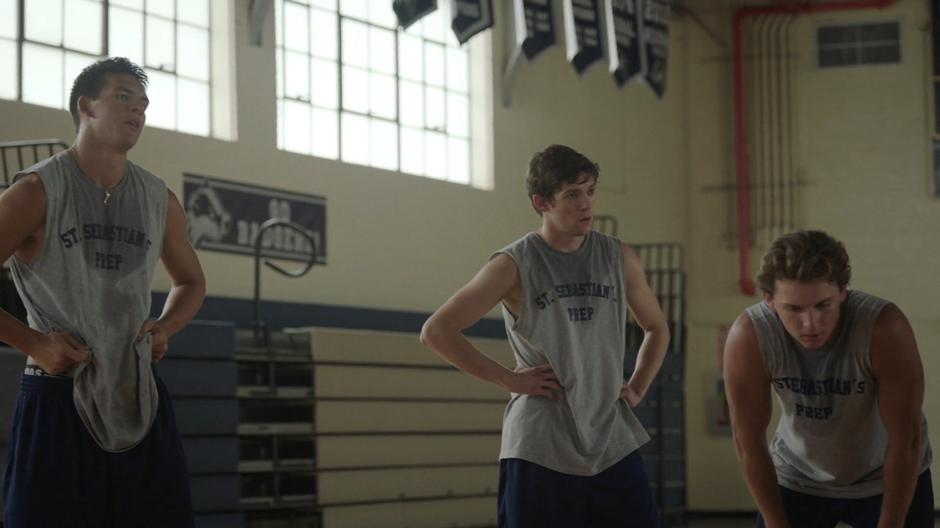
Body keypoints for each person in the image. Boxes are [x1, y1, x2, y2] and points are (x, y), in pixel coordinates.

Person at [0, 57, 206, 527]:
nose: (138, 110)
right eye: (124, 97)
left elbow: (192, 282)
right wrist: (33, 342)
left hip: (138, 392)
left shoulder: (159, 199)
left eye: (144, 104)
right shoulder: (37, 190)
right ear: (86, 106)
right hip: (58, 394)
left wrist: (166, 327)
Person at [420, 144, 670, 528]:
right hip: (541, 445)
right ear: (542, 202)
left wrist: (637, 385)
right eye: (572, 194)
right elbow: (437, 331)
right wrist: (509, 378)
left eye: (589, 191)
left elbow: (657, 328)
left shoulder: (618, 257)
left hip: (611, 441)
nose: (586, 203)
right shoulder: (514, 263)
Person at [723, 230, 933, 528]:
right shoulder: (750, 336)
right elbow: (747, 440)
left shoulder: (882, 328)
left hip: (885, 475)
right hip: (799, 475)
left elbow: (906, 438)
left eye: (823, 305)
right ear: (769, 299)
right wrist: (775, 522)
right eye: (794, 309)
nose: (811, 324)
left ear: (843, 291)